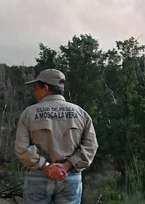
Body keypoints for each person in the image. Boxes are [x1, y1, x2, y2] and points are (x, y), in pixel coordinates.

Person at [15, 68, 98, 204]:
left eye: (36, 88)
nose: (34, 92)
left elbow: (21, 148)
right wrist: (66, 166)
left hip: (37, 178)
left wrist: (46, 166)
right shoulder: (81, 114)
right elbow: (91, 146)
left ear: (45, 88)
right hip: (70, 177)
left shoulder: (29, 113)